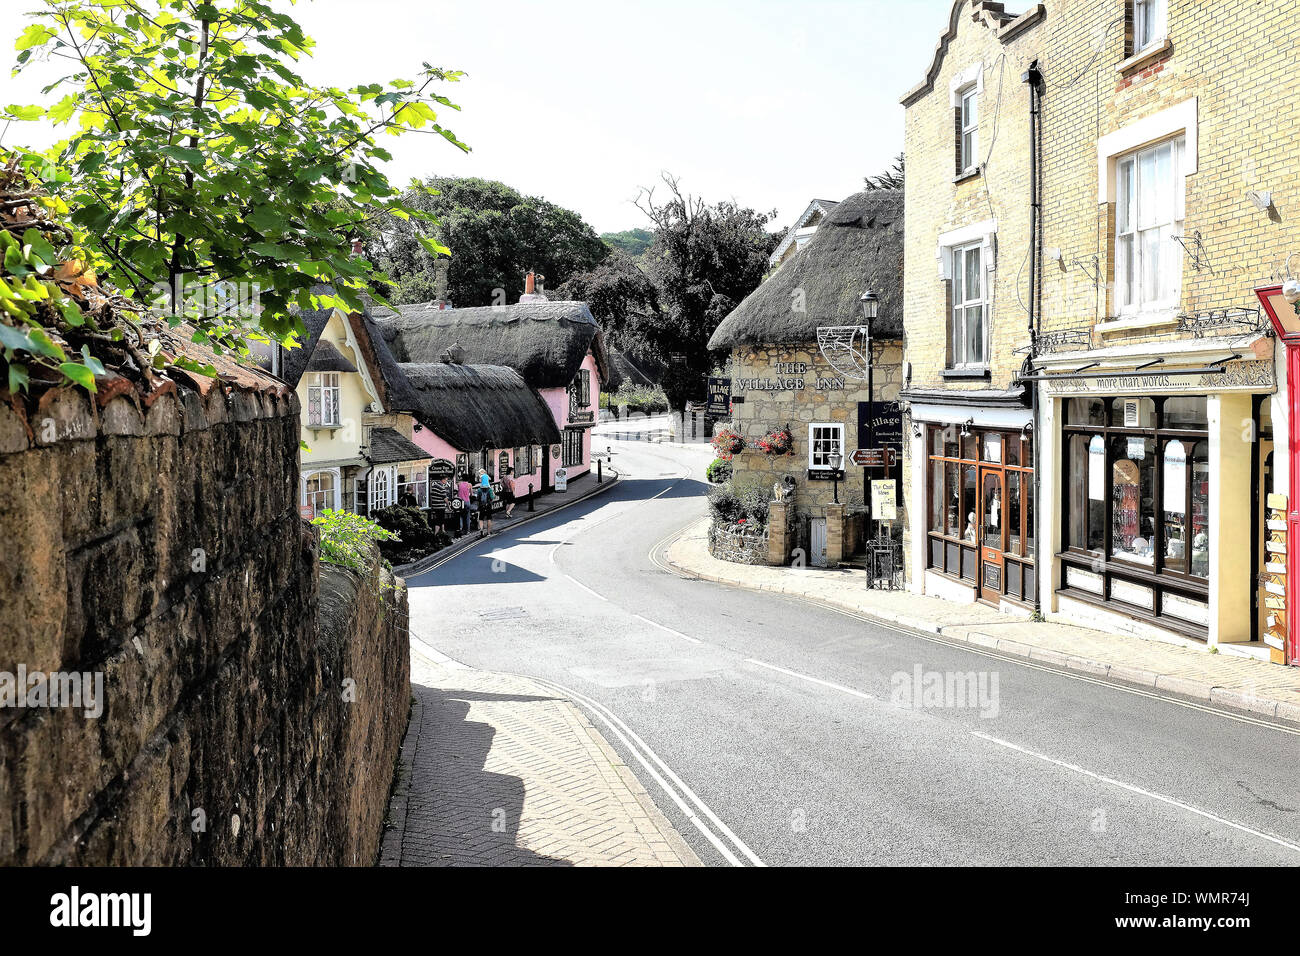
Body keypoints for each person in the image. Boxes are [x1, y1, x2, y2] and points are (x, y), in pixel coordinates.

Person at [456, 472, 472, 537]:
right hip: (467, 501)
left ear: (462, 478)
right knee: (467, 516)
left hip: (460, 502)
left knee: (460, 516)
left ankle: (460, 529)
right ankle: (467, 531)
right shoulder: (469, 485)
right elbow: (471, 494)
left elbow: (458, 491)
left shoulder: (459, 484)